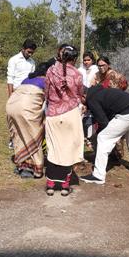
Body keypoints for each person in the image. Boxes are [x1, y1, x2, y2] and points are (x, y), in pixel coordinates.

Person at [80, 85, 129, 185]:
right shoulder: (100, 92)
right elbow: (108, 114)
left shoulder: (92, 99)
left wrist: (98, 133)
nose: (80, 101)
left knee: (103, 138)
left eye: (79, 98)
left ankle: (98, 175)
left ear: (83, 95)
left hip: (128, 113)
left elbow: (104, 122)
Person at [45, 46, 84, 196]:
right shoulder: (78, 74)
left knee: (53, 149)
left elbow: (46, 93)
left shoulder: (50, 71)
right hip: (71, 115)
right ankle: (65, 187)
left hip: (53, 115)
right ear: (74, 59)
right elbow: (80, 94)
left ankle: (50, 185)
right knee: (68, 149)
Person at [6, 62, 51, 179]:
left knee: (19, 135)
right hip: (26, 110)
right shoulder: (46, 82)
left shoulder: (27, 79)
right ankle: (35, 168)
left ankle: (22, 164)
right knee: (33, 136)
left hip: (11, 106)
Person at [7, 39, 37, 149]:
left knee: (25, 117)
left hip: (28, 93)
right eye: (28, 52)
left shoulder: (32, 62)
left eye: (32, 53)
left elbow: (32, 78)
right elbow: (10, 78)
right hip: (16, 92)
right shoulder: (14, 60)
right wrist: (10, 96)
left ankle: (24, 140)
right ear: (23, 49)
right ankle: (12, 139)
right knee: (14, 117)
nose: (30, 54)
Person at [78, 51, 98, 147]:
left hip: (92, 95)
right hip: (80, 96)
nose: (86, 62)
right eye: (84, 60)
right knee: (80, 116)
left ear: (92, 60)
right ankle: (81, 137)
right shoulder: (79, 70)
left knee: (91, 118)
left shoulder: (96, 70)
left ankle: (90, 138)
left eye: (88, 60)